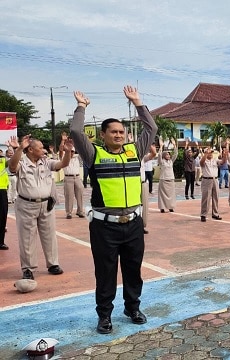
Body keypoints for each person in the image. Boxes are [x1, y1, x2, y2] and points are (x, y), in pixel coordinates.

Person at [70, 86, 157, 335]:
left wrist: (138, 102)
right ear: (103, 134)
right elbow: (76, 130)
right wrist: (82, 107)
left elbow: (151, 129)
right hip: (104, 226)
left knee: (133, 269)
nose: (119, 135)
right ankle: (105, 316)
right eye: (114, 132)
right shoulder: (93, 154)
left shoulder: (134, 151)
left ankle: (132, 308)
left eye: (122, 132)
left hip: (133, 224)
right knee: (106, 273)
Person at [8, 134, 72, 280]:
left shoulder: (46, 162)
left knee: (49, 235)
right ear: (30, 149)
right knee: (27, 238)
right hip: (26, 205)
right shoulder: (21, 162)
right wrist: (19, 149)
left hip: (46, 204)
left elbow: (63, 164)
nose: (43, 150)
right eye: (41, 148)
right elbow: (12, 167)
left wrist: (67, 152)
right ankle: (28, 268)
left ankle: (53, 264)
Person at [59, 133, 85, 220]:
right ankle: (69, 212)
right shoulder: (63, 157)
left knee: (80, 194)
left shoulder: (77, 157)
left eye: (73, 151)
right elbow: (61, 150)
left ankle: (80, 211)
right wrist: (63, 141)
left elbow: (82, 148)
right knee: (69, 196)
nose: (72, 153)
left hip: (77, 177)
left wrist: (76, 141)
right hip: (68, 177)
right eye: (71, 151)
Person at [199, 146, 223, 221]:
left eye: (211, 153)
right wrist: (205, 153)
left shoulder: (215, 160)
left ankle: (215, 214)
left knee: (216, 197)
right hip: (206, 180)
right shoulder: (204, 160)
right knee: (206, 198)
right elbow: (201, 162)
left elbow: (222, 162)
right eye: (209, 153)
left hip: (215, 179)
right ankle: (203, 214)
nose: (211, 154)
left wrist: (225, 154)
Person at [140, 143, 156, 235]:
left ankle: (141, 226)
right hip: (133, 184)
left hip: (142, 184)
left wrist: (148, 143)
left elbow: (153, 154)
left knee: (143, 206)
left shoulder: (142, 158)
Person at [158, 140, 178, 213]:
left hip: (171, 179)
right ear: (164, 156)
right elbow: (159, 155)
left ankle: (170, 207)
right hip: (163, 180)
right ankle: (162, 208)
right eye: (167, 154)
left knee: (171, 194)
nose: (168, 156)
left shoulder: (171, 161)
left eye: (169, 154)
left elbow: (176, 154)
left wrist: (175, 145)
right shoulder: (161, 162)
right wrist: (161, 146)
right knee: (162, 195)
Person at [0, 150, 9, 250]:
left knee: (2, 216)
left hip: (2, 190)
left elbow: (12, 161)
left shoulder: (3, 161)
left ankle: (1, 242)